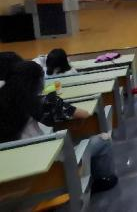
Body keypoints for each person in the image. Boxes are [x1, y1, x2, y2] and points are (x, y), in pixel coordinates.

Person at [0, 59, 118, 192]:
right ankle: (103, 182)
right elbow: (84, 114)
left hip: (11, 179)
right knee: (103, 139)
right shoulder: (44, 102)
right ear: (37, 82)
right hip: (47, 169)